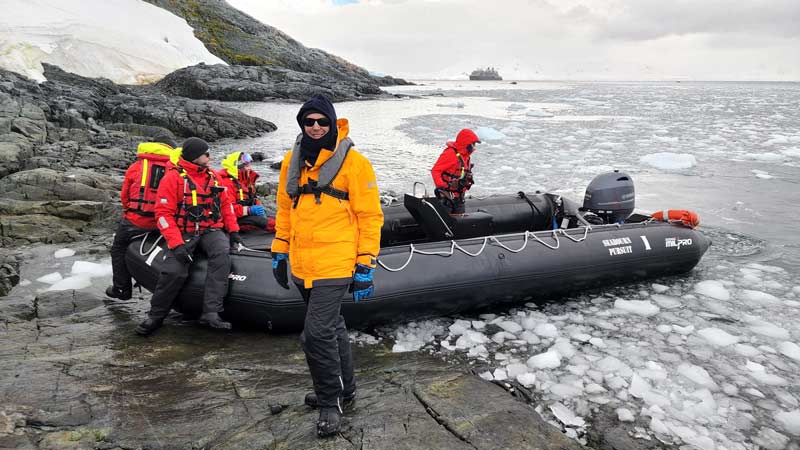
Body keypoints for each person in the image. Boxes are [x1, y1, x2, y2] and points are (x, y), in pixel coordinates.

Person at [271, 94, 383, 437]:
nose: (316, 127)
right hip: (305, 262)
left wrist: (366, 263)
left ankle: (329, 401)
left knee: (315, 334)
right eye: (309, 122)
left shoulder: (355, 163)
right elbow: (285, 209)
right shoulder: (293, 159)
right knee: (332, 328)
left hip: (336, 260)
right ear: (302, 125)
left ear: (332, 123)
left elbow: (370, 216)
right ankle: (345, 390)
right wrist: (280, 249)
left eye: (322, 121)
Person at [135, 137, 242, 336]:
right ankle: (156, 315)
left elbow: (226, 205)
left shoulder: (214, 177)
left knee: (221, 255)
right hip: (184, 232)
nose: (210, 157)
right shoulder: (173, 178)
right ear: (194, 156)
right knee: (174, 270)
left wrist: (233, 230)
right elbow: (163, 214)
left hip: (210, 229)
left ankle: (211, 312)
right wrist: (176, 244)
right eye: (206, 154)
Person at [106, 132, 179, 300]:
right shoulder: (176, 168)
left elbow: (125, 196)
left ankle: (122, 289)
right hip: (166, 222)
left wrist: (129, 212)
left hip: (137, 221)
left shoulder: (137, 166)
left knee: (118, 249)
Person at [217, 151, 276, 233]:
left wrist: (257, 207)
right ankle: (285, 231)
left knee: (276, 218)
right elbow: (227, 210)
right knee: (264, 222)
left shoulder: (245, 181)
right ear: (238, 166)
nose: (249, 168)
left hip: (245, 215)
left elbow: (253, 199)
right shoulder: (227, 183)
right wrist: (249, 210)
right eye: (247, 165)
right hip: (233, 220)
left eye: (249, 165)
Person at [430, 128, 480, 214]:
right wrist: (443, 186)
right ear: (467, 143)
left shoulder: (466, 156)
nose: (474, 147)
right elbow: (435, 170)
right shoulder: (450, 153)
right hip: (447, 199)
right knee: (447, 223)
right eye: (473, 144)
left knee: (460, 224)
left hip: (459, 198)